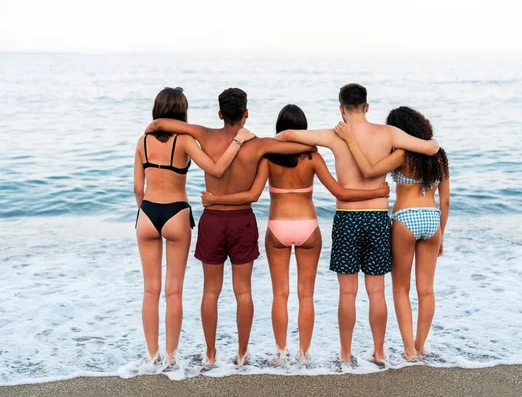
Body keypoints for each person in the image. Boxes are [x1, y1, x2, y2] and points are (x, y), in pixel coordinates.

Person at [200, 104, 390, 365]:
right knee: (305, 295)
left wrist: (217, 199)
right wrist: (376, 193)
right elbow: (341, 193)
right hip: (307, 227)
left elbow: (252, 194)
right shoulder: (312, 157)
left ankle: (280, 352)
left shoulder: (268, 158)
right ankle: (303, 354)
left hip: (278, 227)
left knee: (281, 294)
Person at [144, 88, 315, 367]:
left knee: (210, 292)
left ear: (220, 114)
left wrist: (153, 125)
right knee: (243, 291)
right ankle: (242, 354)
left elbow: (161, 124)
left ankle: (211, 355)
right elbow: (299, 146)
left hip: (212, 221)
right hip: (242, 220)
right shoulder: (259, 145)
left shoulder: (203, 134)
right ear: (246, 114)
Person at [275, 84, 439, 365]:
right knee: (377, 292)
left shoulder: (334, 135)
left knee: (347, 292)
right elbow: (432, 146)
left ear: (341, 108)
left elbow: (286, 135)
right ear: (367, 106)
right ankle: (379, 351)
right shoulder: (388, 134)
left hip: (347, 218)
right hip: (377, 218)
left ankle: (345, 353)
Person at [133, 87, 255, 372]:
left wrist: (143, 211)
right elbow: (216, 170)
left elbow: (138, 187)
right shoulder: (185, 141)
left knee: (150, 291)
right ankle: (172, 358)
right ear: (182, 113)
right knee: (173, 291)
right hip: (176, 212)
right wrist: (238, 141)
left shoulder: (143, 142)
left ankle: (152, 357)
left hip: (147, 213)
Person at [334, 106, 450, 360]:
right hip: (432, 220)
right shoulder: (439, 156)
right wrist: (441, 233)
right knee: (427, 290)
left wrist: (350, 140)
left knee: (400, 289)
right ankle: (420, 346)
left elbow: (368, 169)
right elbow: (446, 201)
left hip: (405, 218)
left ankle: (409, 351)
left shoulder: (401, 155)